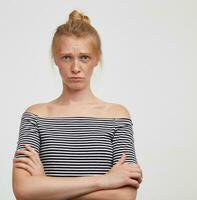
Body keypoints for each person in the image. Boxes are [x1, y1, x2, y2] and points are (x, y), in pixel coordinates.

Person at [12, 10, 143, 200]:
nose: (75, 68)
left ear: (96, 59)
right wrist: (104, 181)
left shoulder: (117, 116)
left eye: (84, 57)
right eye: (66, 57)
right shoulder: (35, 116)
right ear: (55, 59)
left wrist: (45, 185)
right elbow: (23, 190)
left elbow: (124, 196)